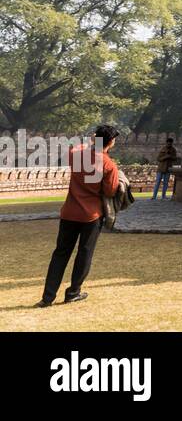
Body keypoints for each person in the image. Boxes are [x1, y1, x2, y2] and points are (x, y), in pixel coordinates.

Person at [38, 125, 121, 307]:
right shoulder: (108, 165)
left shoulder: (76, 155)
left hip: (69, 212)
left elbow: (77, 148)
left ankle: (48, 297)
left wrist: (91, 142)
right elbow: (110, 190)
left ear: (94, 138)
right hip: (91, 215)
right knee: (84, 254)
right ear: (111, 142)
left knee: (60, 253)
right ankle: (73, 292)